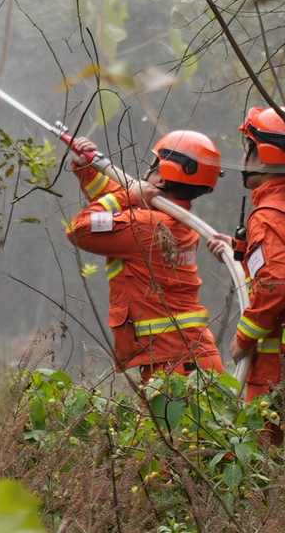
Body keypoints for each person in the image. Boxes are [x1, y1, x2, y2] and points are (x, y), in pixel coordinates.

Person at [65, 131, 224, 380]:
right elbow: (120, 209)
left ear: (161, 179)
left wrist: (128, 195)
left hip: (173, 367)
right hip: (188, 360)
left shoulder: (145, 226)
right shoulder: (175, 221)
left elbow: (79, 228)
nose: (146, 172)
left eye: (152, 166)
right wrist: (87, 169)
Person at [228, 106, 285, 409]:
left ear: (263, 156)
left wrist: (243, 338)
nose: (243, 159)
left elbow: (276, 284)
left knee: (269, 454)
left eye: (248, 150)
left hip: (275, 367)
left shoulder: (268, 216)